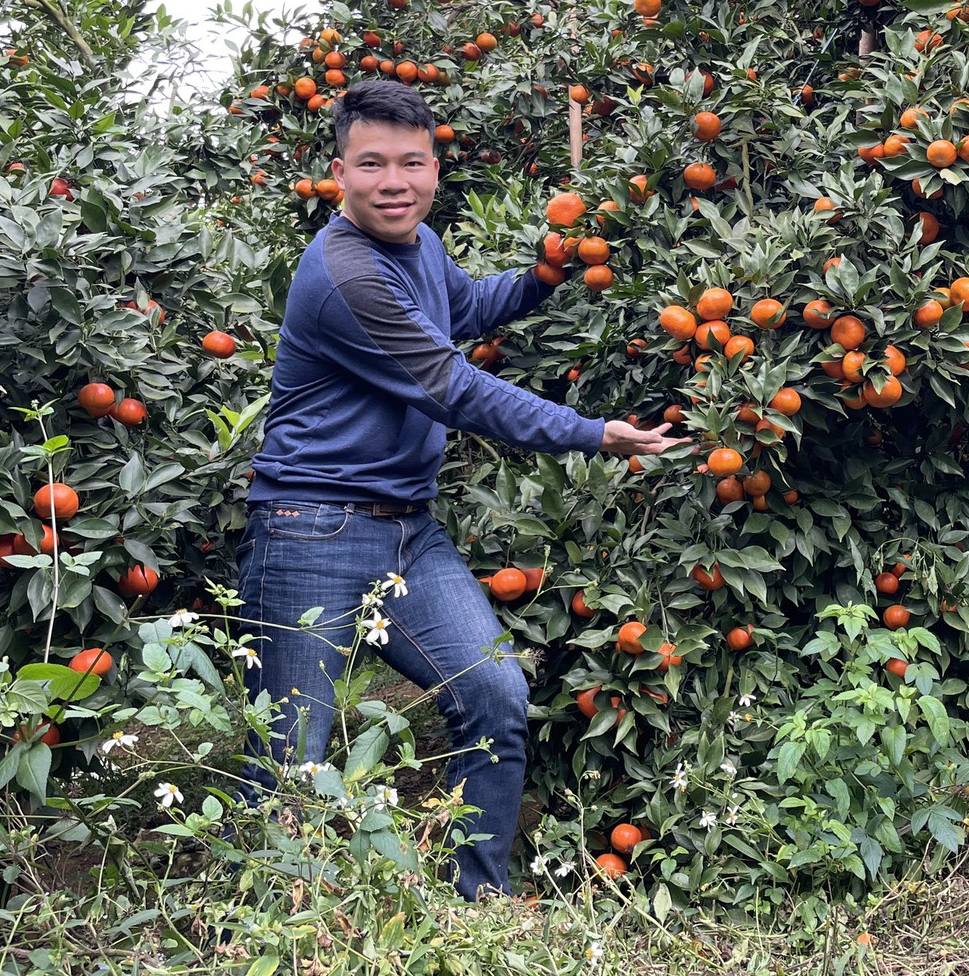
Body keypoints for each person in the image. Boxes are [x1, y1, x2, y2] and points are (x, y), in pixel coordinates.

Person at [236, 79, 685, 898]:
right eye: (372, 164)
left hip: (409, 531)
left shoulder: (422, 245)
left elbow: (468, 308)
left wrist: (547, 273)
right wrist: (594, 433)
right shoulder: (344, 273)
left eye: (411, 162)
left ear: (435, 169)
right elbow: (453, 387)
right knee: (289, 749)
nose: (394, 182)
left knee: (493, 693)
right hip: (310, 529)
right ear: (340, 173)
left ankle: (480, 902)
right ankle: (267, 923)